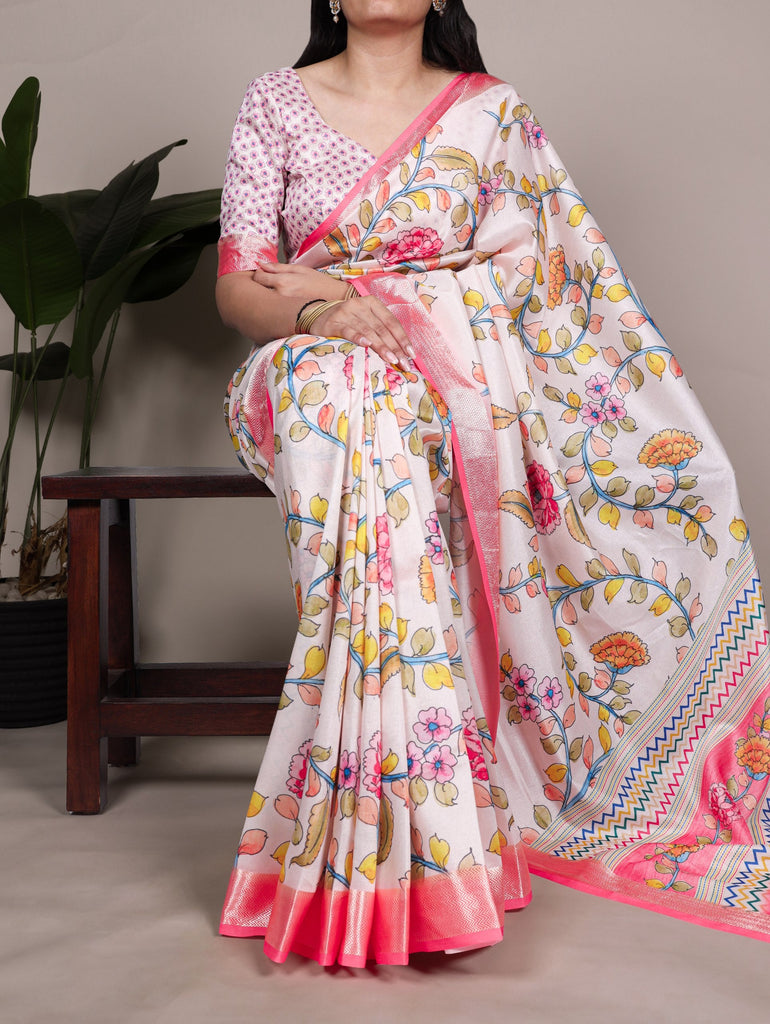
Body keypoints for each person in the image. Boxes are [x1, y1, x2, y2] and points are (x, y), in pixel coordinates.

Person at [215, 0, 770, 966]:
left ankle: (402, 844)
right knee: (349, 405)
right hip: (306, 364)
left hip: (457, 381)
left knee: (394, 424)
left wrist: (378, 296)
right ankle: (413, 840)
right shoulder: (276, 102)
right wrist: (326, 313)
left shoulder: (490, 112)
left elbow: (542, 283)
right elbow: (238, 287)